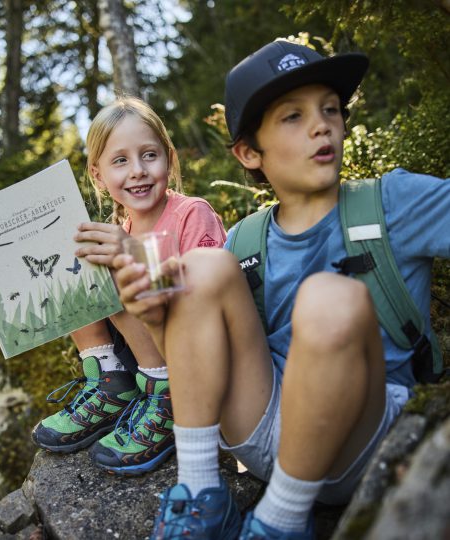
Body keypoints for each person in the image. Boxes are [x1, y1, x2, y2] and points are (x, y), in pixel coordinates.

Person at [113, 39, 450, 539]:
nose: (322, 125)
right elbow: (195, 364)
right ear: (250, 152)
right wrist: (153, 316)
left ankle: (281, 521)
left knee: (328, 296)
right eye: (292, 117)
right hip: (263, 425)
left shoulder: (392, 201)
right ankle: (200, 492)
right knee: (200, 267)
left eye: (330, 110)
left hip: (364, 436)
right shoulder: (243, 239)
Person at [31, 95, 226, 476]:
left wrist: (137, 259)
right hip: (139, 351)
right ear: (99, 175)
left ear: (169, 159)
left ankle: (166, 399)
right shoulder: (119, 232)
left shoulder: (192, 213)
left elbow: (209, 292)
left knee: (120, 266)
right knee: (73, 261)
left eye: (149, 155)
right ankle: (110, 380)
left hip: (191, 353)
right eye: (120, 161)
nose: (137, 170)